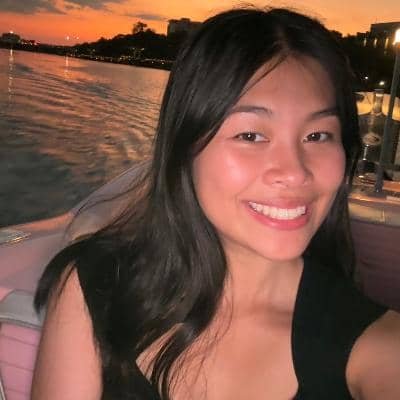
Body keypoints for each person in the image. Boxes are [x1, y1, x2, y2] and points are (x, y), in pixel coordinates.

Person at [32, 7, 400, 400]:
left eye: (317, 136)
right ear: (184, 148)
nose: (294, 173)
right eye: (251, 136)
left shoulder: (377, 348)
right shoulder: (94, 285)